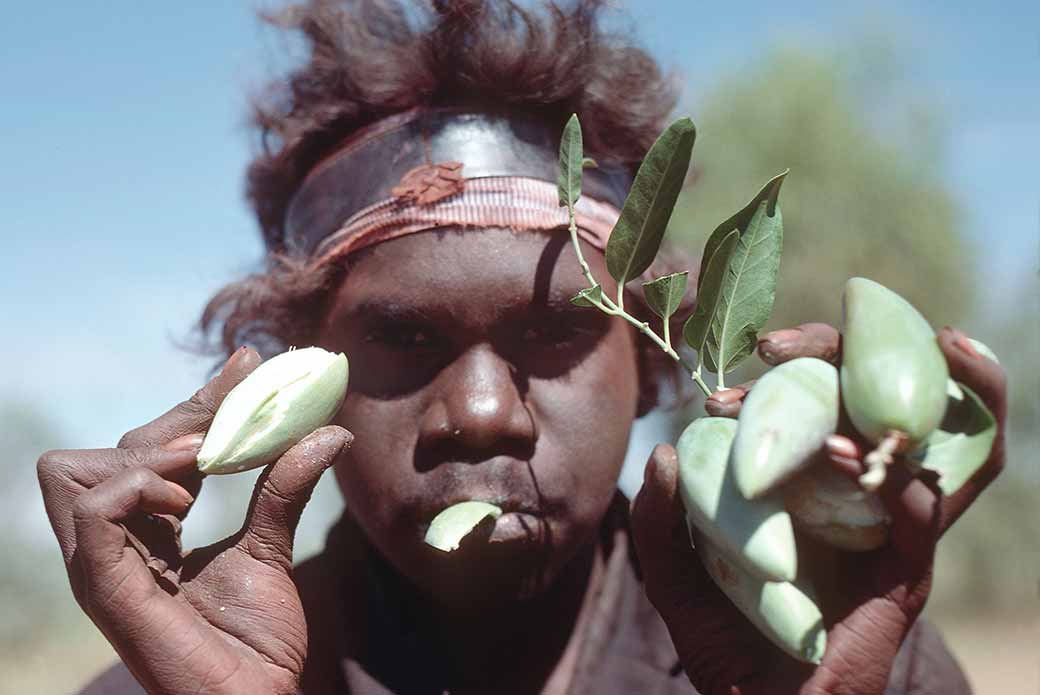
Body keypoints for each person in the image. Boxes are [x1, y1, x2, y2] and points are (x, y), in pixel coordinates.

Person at [37, 2, 1006, 693]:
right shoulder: (174, 676)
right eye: (403, 336)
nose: (482, 413)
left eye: (554, 334)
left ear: (655, 364)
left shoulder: (843, 662)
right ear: (299, 373)